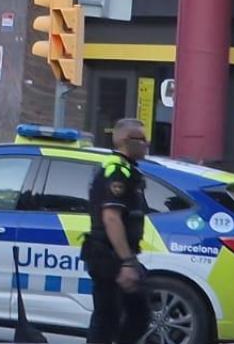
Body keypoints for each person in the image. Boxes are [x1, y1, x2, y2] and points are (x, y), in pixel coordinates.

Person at [82, 117, 152, 344]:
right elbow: (112, 218)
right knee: (108, 319)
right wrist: (127, 262)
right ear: (125, 140)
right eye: (142, 139)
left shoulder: (128, 170)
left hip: (117, 255)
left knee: (135, 314)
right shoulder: (117, 171)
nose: (147, 143)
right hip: (108, 256)